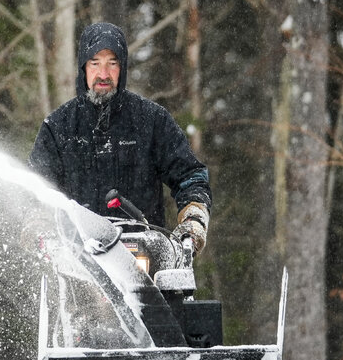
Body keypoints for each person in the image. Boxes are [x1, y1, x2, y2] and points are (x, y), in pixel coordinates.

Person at [28, 22, 211, 253]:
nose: (103, 74)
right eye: (95, 63)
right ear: (83, 67)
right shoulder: (58, 127)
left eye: (112, 64)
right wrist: (39, 226)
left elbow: (190, 175)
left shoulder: (152, 121)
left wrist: (193, 220)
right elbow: (36, 188)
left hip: (144, 256)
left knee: (177, 284)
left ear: (122, 68)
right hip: (78, 257)